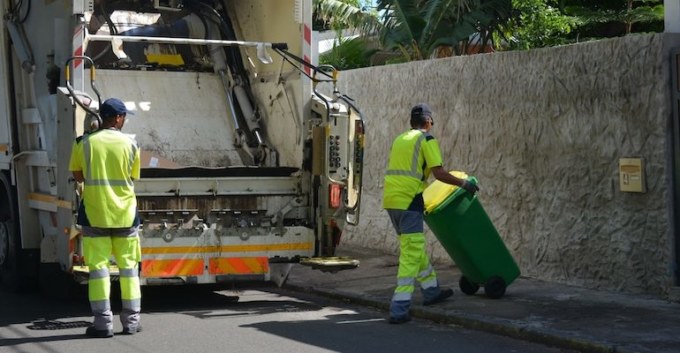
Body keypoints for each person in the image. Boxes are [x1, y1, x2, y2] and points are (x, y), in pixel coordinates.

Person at [382, 103, 479, 324]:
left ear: (411, 122)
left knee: (413, 247)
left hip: (392, 201)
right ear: (428, 121)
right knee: (411, 253)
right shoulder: (426, 140)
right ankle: (399, 306)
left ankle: (431, 290)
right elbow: (439, 173)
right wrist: (464, 184)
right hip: (409, 201)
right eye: (431, 122)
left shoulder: (400, 139)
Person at [69, 98, 143, 338]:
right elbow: (133, 176)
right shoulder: (132, 144)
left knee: (99, 270)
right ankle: (131, 322)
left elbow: (78, 176)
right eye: (124, 116)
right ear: (119, 118)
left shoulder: (84, 143)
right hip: (125, 215)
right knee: (129, 270)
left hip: (95, 214)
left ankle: (103, 324)